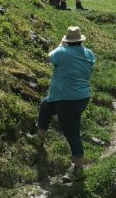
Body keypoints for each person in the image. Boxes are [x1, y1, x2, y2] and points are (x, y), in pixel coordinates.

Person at [34, 26, 95, 177]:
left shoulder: (62, 52)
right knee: (46, 105)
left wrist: (61, 45)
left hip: (67, 99)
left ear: (67, 40)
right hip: (81, 96)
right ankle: (39, 139)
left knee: (71, 132)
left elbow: (49, 57)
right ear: (80, 40)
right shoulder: (88, 53)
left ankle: (79, 169)